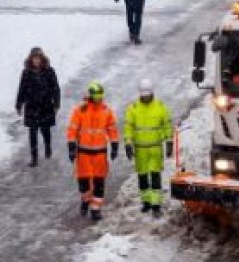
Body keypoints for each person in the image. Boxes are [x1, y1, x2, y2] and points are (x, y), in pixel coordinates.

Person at [66, 82, 120, 221]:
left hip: (100, 152)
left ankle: (96, 209)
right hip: (83, 152)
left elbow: (112, 129)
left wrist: (114, 144)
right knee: (83, 181)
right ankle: (85, 200)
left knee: (99, 181)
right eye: (95, 96)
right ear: (90, 95)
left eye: (100, 96)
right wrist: (71, 146)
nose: (98, 99)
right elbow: (72, 129)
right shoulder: (80, 110)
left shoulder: (106, 111)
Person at [123, 79, 173, 216]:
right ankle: (146, 202)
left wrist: (169, 141)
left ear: (151, 93)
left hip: (155, 148)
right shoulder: (133, 108)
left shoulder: (160, 106)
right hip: (140, 149)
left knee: (155, 175)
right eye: (143, 95)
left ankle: (156, 205)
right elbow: (128, 127)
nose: (145, 97)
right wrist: (128, 143)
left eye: (147, 95)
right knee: (143, 177)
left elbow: (167, 124)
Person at [14, 47, 60, 167]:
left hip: (45, 106)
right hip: (31, 107)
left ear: (42, 58)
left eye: (38, 58)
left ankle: (48, 147)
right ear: (31, 59)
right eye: (34, 58)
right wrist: (19, 104)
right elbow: (22, 89)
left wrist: (56, 103)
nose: (36, 60)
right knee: (32, 133)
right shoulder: (26, 72)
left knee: (45, 131)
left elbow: (56, 88)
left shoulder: (49, 71)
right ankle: (34, 158)